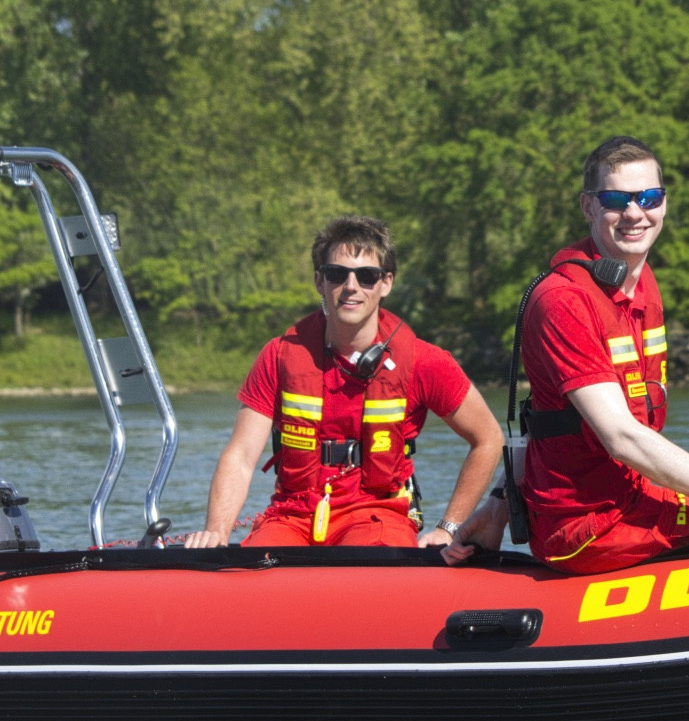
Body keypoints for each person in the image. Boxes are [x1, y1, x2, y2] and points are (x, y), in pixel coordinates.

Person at [445, 136, 689, 573]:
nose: (634, 213)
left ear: (663, 203)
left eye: (649, 197)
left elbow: (550, 422)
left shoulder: (643, 284)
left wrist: (497, 502)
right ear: (588, 206)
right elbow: (621, 436)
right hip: (584, 527)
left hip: (635, 495)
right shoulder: (563, 301)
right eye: (615, 199)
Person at [186, 216, 504, 549]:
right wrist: (217, 532)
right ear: (319, 281)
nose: (351, 286)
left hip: (378, 515)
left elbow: (488, 439)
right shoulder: (279, 356)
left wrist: (448, 528)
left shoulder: (425, 361)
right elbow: (241, 455)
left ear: (386, 283)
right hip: (292, 516)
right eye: (337, 274)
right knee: (254, 579)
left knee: (370, 573)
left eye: (367, 276)